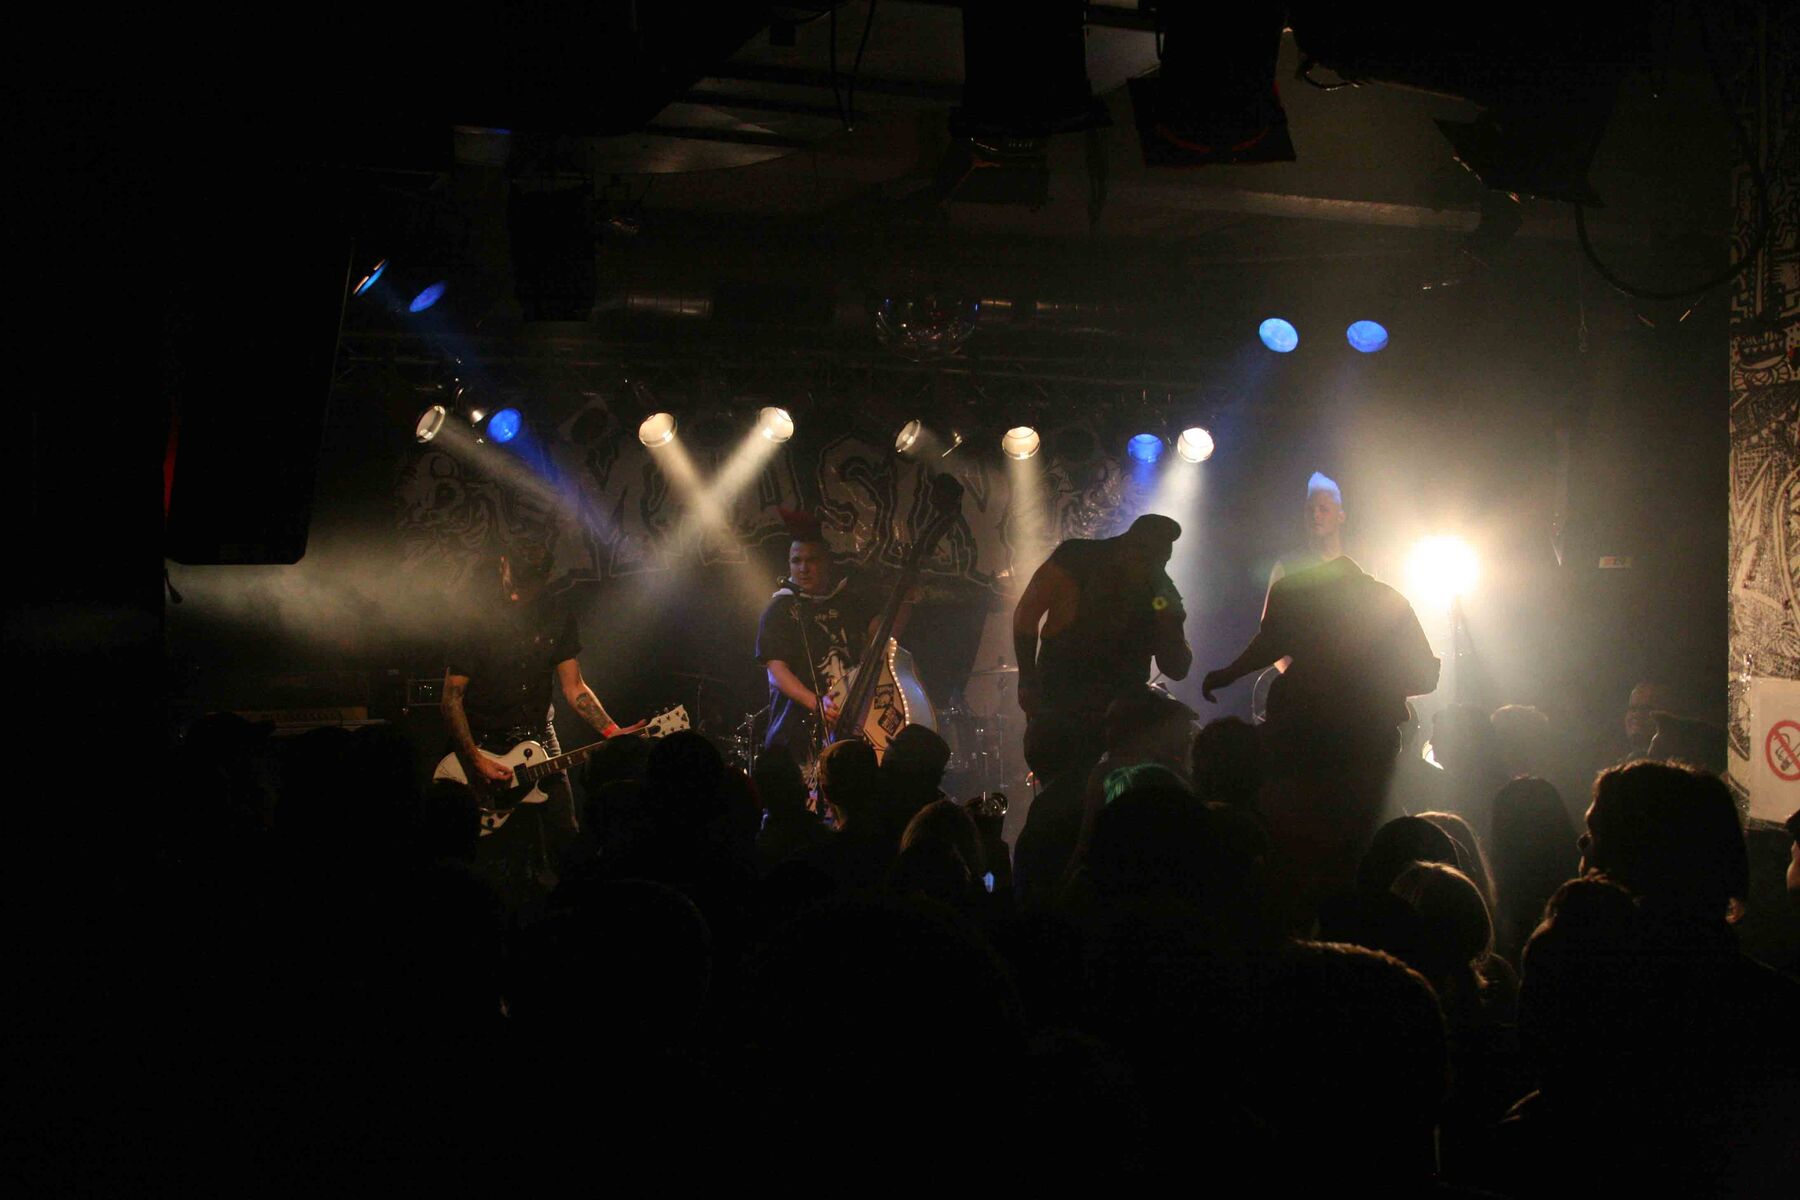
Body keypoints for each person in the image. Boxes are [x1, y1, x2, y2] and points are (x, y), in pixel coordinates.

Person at [442, 546, 637, 904]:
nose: (517, 594)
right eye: (512, 581)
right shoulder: (475, 617)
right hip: (482, 740)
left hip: (540, 738)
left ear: (545, 578)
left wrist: (613, 733)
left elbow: (574, 687)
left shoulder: (557, 616)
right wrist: (474, 759)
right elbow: (451, 698)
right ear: (503, 563)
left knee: (566, 836)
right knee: (484, 853)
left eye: (527, 585)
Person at [1012, 513, 1193, 774]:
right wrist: (1027, 680)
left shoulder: (1160, 591)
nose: (1157, 567)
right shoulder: (1076, 557)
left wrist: (1170, 622)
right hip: (1062, 704)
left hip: (1120, 718)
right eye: (1152, 558)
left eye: (1163, 561)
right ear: (1130, 546)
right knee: (1066, 781)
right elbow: (1026, 614)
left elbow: (1177, 668)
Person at [755, 509, 912, 760]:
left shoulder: (848, 601)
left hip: (848, 724)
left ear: (827, 563)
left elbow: (883, 638)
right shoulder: (780, 609)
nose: (804, 568)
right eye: (796, 561)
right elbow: (776, 671)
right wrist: (816, 703)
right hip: (796, 734)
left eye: (812, 560)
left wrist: (906, 600)